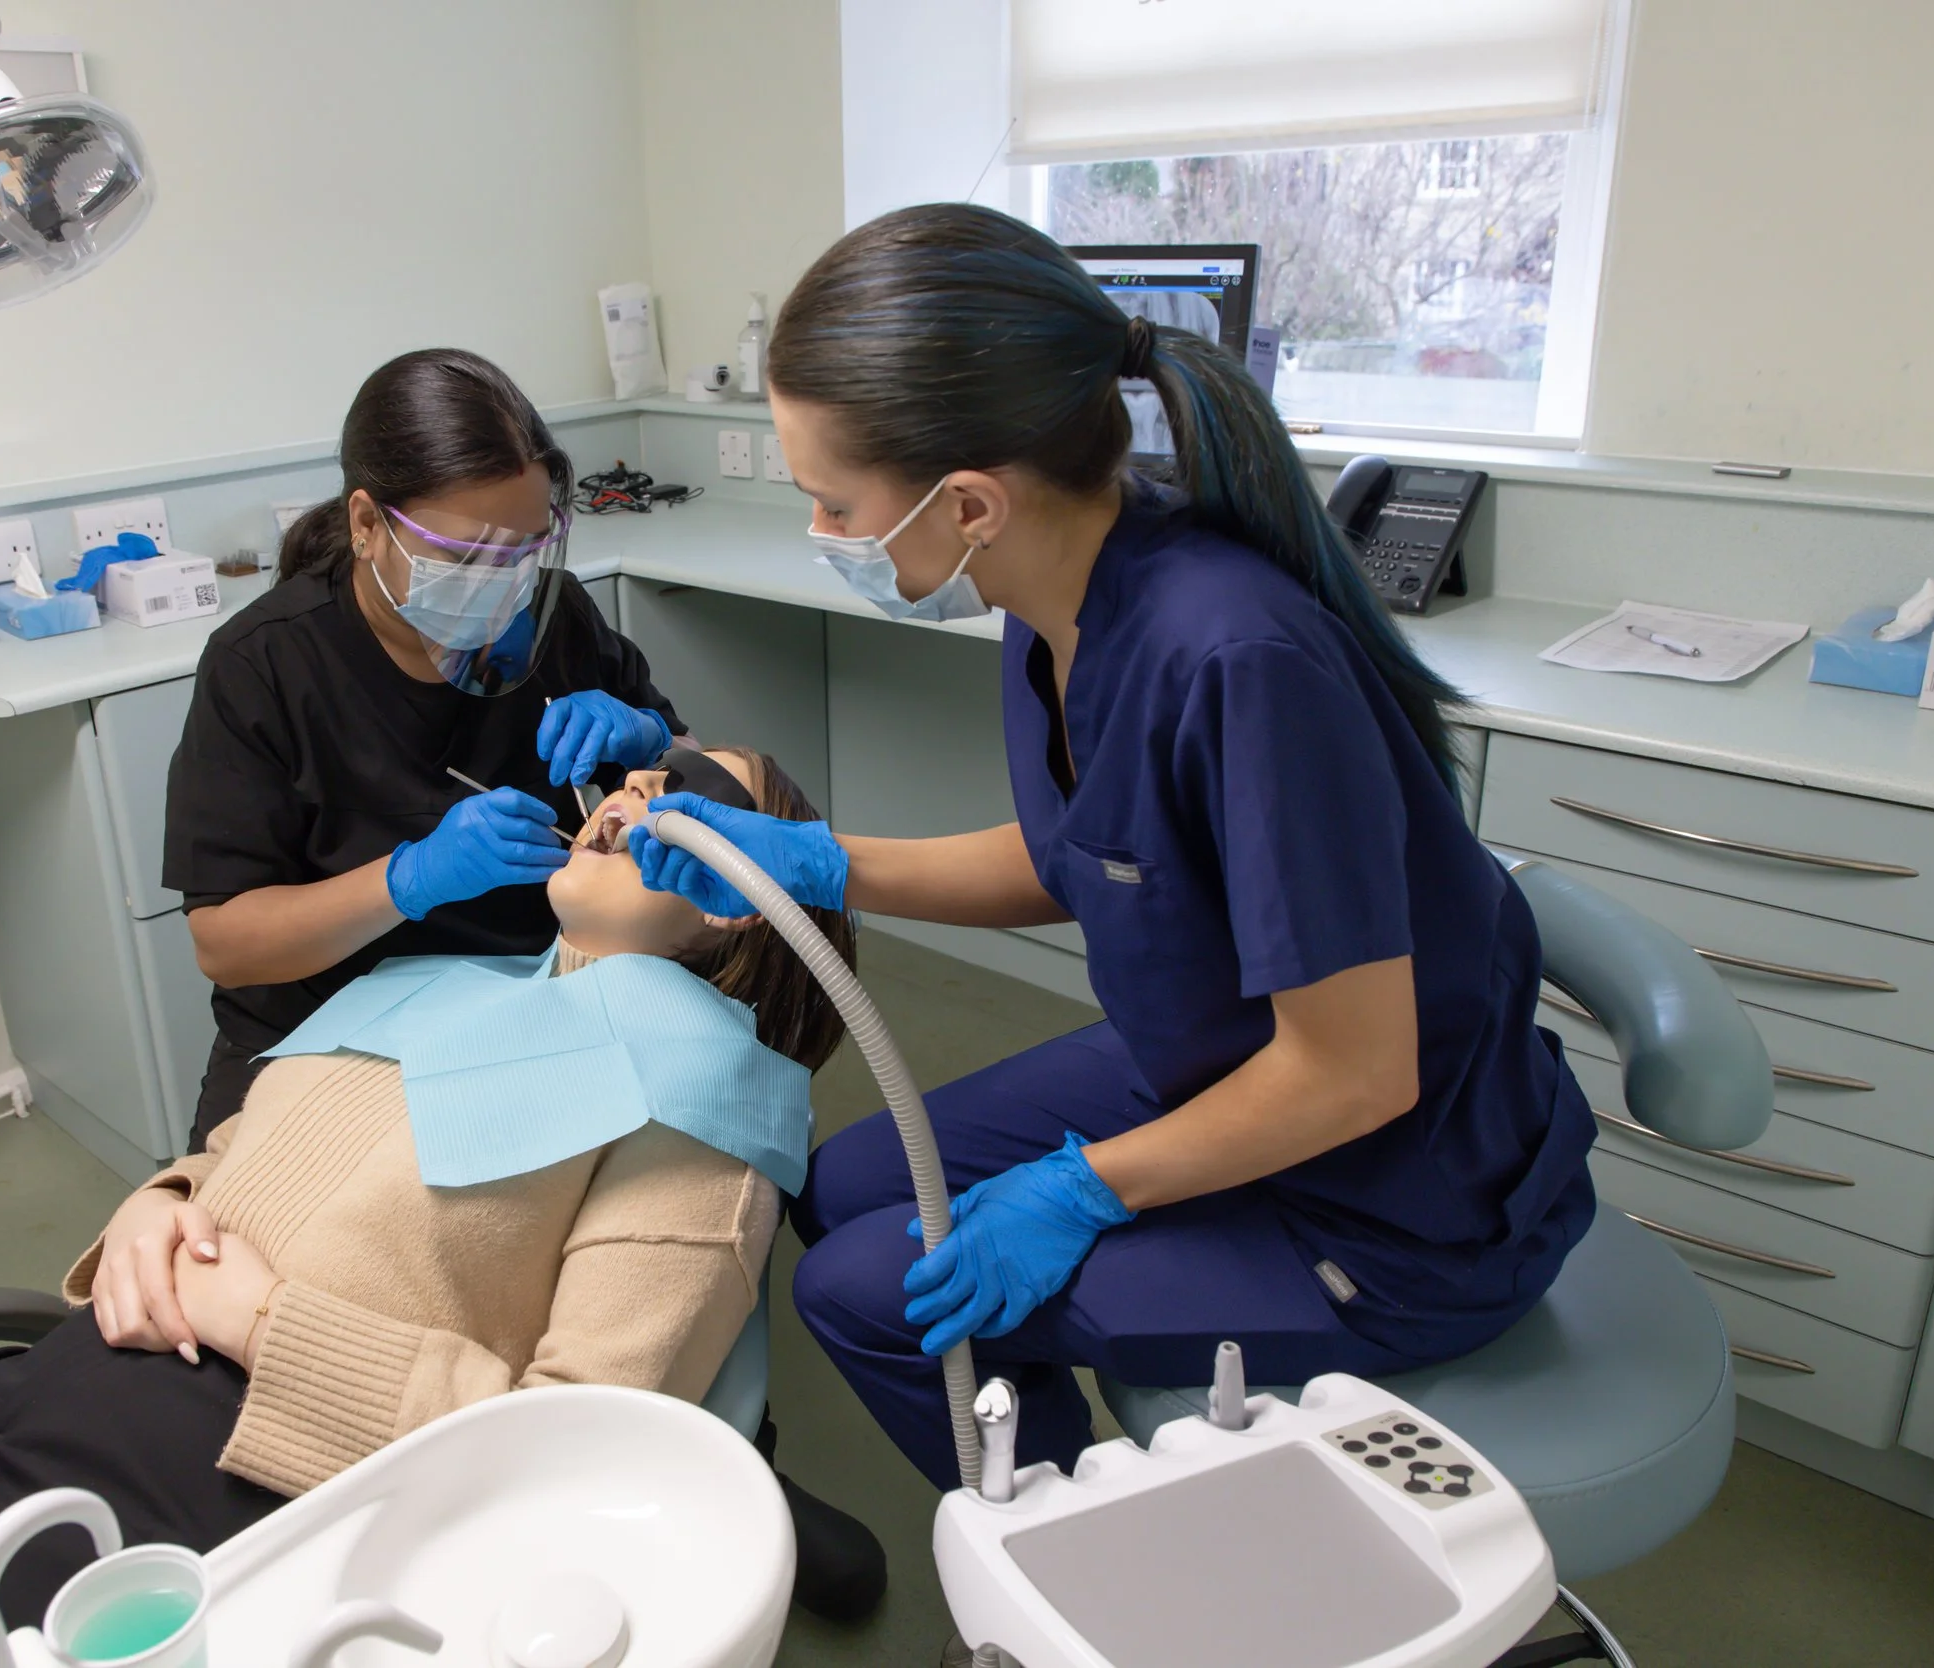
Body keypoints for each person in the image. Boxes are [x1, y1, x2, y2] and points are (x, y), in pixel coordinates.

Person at [630, 204, 1597, 1489]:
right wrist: (813, 860)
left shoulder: (1236, 660)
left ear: (968, 501)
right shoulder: (1059, 594)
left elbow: (1354, 1076)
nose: (821, 532)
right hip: (1222, 1066)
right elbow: (1087, 857)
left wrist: (1085, 1191)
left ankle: (1070, 1560)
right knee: (845, 1182)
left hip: (1399, 1194)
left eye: (831, 502)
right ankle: (1068, 1473)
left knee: (872, 1289)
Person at [0, 747, 856, 1668]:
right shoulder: (458, 988)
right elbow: (245, 1155)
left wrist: (271, 1322)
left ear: (746, 906)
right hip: (44, 1389)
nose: (633, 792)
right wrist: (158, 1202)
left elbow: (576, 1458)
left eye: (683, 793)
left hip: (218, 1500)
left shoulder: (705, 1124)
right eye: (628, 777)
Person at [166, 347, 691, 1152]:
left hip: (535, 993)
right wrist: (407, 881)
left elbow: (694, 773)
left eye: (523, 550)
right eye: (465, 556)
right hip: (331, 1023)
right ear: (368, 523)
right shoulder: (264, 666)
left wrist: (651, 734)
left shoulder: (555, 616)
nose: (504, 583)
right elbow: (227, 946)